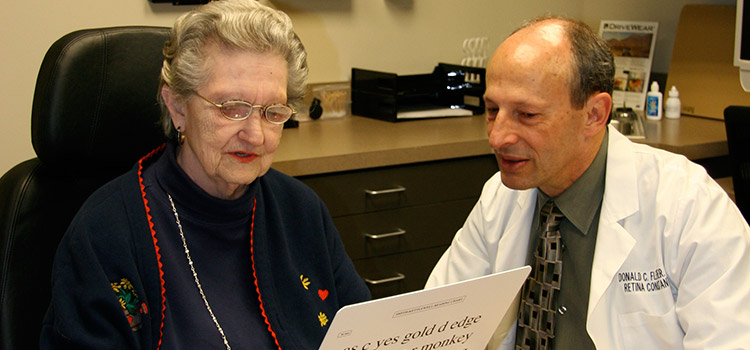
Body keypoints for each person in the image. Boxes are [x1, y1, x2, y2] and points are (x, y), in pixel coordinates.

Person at [40, 0, 370, 348]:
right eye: (232, 109)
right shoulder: (106, 235)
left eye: (273, 112)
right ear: (177, 106)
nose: (255, 135)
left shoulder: (300, 211)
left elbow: (366, 333)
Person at [425, 16, 750, 350]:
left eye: (527, 115)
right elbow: (435, 326)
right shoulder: (500, 197)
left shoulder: (688, 206)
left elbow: (730, 340)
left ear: (595, 114)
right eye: (492, 109)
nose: (498, 137)